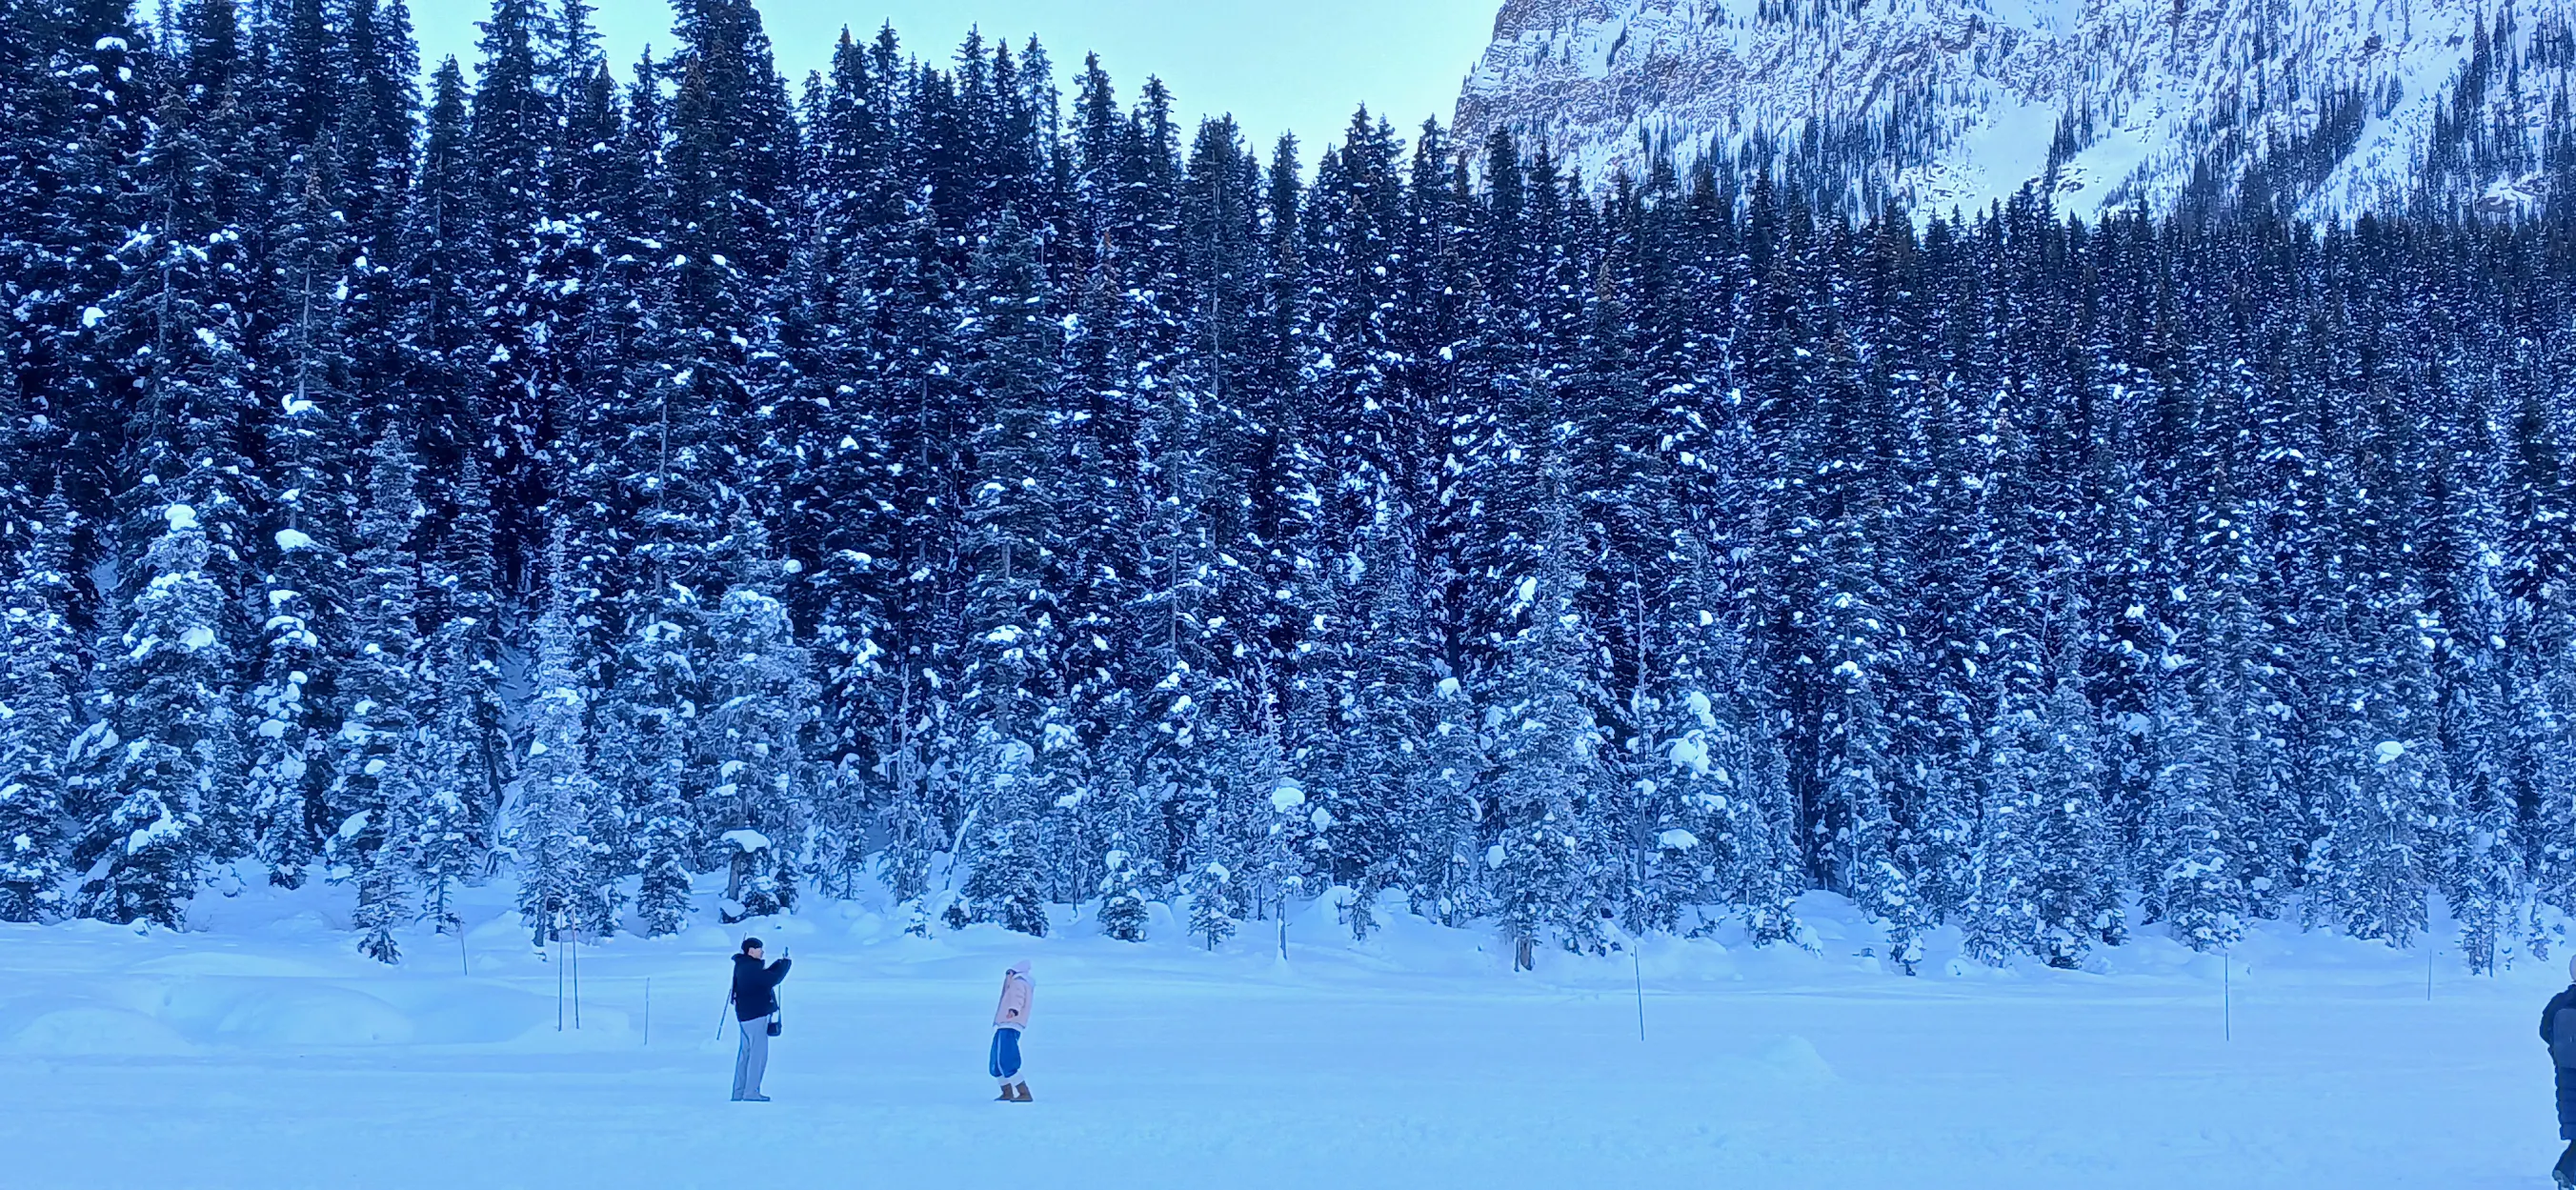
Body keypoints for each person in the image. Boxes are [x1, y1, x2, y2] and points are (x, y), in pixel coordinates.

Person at [731, 937, 792, 1102]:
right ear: (751, 951)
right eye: (759, 949)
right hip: (755, 1016)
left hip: (745, 1017)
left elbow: (765, 977)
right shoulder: (750, 967)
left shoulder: (743, 966)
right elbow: (771, 980)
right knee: (757, 1056)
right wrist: (785, 965)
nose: (762, 952)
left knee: (745, 1055)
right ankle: (751, 1092)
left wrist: (778, 964)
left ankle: (739, 1092)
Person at [2545, 956, 2576, 1186]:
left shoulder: (2560, 1002)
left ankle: (2567, 1171)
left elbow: (2544, 1030)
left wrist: (2558, 1051)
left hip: (2566, 1073)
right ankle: (2566, 1170)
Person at [989, 959, 1035, 1102]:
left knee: (1007, 1059)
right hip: (1004, 1024)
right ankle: (1007, 1091)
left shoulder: (1018, 983)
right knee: (995, 1062)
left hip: (1010, 1024)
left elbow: (1018, 999)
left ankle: (1023, 1092)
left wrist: (1013, 1011)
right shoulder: (1013, 983)